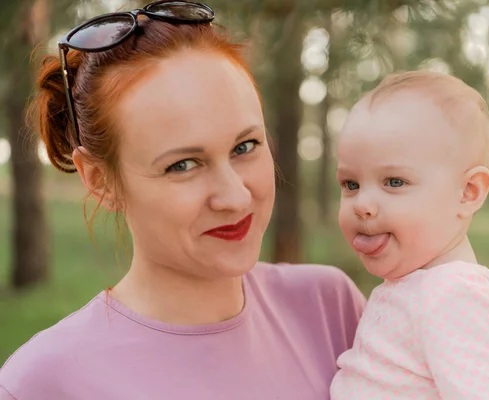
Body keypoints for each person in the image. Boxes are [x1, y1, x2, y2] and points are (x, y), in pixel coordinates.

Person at [0, 2, 365, 399]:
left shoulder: (329, 308)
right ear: (101, 181)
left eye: (245, 146)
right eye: (183, 165)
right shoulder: (42, 382)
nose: (233, 195)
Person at [329, 70, 489, 399]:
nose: (362, 204)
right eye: (351, 184)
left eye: (394, 182)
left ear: (468, 192)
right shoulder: (417, 288)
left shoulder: (453, 299)